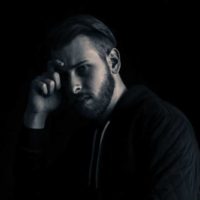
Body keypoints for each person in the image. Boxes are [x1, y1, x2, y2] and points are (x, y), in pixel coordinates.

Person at [14, 15, 200, 200]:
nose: (73, 87)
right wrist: (36, 114)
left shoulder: (165, 127)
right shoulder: (83, 141)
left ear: (113, 62)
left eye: (83, 69)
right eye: (64, 75)